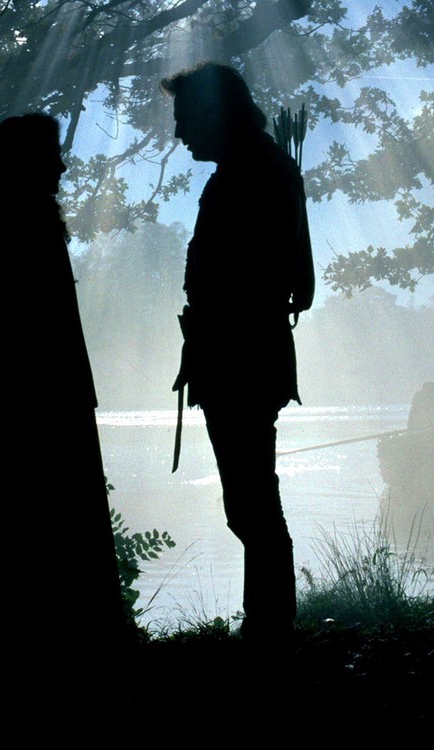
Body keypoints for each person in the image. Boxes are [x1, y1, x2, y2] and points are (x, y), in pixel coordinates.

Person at [0, 114, 128, 681]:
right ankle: (61, 647)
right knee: (49, 509)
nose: (62, 166)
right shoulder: (27, 215)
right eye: (51, 156)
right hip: (37, 389)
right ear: (26, 164)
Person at [163, 63, 310, 641]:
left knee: (251, 502)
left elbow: (245, 279)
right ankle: (268, 625)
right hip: (242, 357)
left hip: (241, 361)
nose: (179, 132)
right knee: (251, 500)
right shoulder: (256, 169)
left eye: (185, 117)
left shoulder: (252, 174)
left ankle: (270, 629)